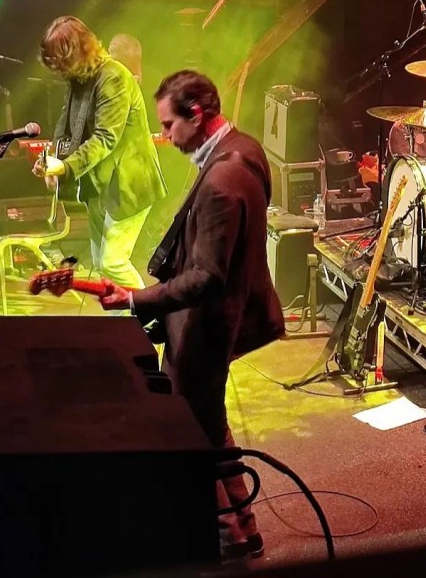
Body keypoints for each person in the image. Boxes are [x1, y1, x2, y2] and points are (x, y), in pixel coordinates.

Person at [96, 70, 285, 562]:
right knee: (209, 423)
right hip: (225, 315)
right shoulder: (246, 148)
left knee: (189, 431)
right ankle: (242, 528)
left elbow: (207, 276)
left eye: (169, 125)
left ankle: (225, 536)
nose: (165, 136)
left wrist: (136, 299)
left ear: (196, 114)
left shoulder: (221, 181)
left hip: (207, 325)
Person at [33, 16, 167, 289]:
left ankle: (147, 313)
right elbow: (65, 126)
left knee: (112, 262)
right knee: (100, 262)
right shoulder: (79, 79)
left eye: (61, 62)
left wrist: (66, 167)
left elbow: (105, 138)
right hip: (100, 184)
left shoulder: (114, 77)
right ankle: (126, 315)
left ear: (78, 51)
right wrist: (51, 161)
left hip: (129, 182)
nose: (59, 70)